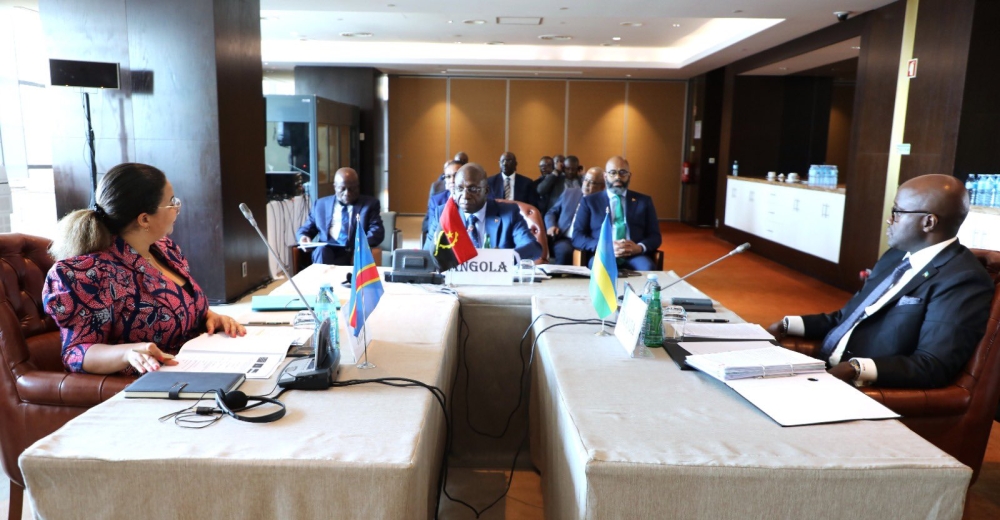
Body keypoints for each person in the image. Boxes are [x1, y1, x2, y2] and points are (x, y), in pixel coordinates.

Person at [767, 174, 993, 389]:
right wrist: (787, 324)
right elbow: (849, 318)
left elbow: (933, 364)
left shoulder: (962, 279)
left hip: (866, 388)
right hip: (823, 370)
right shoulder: (895, 257)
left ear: (928, 222)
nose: (889, 219)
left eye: (897, 212)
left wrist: (856, 368)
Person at [42, 162, 246, 376]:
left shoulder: (163, 249)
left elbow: (179, 305)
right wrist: (127, 353)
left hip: (195, 366)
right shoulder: (87, 274)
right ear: (144, 219)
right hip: (142, 385)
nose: (177, 208)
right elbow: (75, 352)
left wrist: (209, 317)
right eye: (171, 202)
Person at [427, 162, 542, 261]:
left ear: (486, 191)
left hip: (496, 283)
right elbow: (427, 255)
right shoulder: (443, 214)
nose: (465, 196)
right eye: (460, 189)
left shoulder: (509, 213)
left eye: (472, 189)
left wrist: (505, 258)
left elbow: (533, 248)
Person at [572, 156, 662, 270]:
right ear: (605, 176)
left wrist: (639, 247)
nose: (618, 177)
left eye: (623, 172)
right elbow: (577, 237)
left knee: (648, 268)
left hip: (634, 254)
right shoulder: (590, 202)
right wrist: (605, 246)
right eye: (612, 173)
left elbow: (655, 236)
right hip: (602, 254)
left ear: (629, 176)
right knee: (600, 269)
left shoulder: (644, 201)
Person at [298, 167, 384, 265]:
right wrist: (303, 237)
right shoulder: (320, 205)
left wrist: (361, 244)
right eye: (342, 189)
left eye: (352, 189)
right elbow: (307, 228)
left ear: (358, 186)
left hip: (353, 250)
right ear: (335, 187)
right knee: (321, 251)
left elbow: (377, 231)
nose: (347, 193)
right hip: (327, 250)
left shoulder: (369, 204)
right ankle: (323, 280)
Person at [546, 167, 606, 265]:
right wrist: (551, 225)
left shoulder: (603, 202)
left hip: (587, 240)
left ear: (602, 187)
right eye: (585, 180)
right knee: (564, 252)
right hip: (565, 238)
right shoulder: (569, 193)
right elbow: (551, 212)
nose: (586, 184)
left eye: (592, 182)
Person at [421, 160, 462, 247]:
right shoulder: (437, 201)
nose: (452, 180)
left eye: (456, 175)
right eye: (448, 176)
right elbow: (433, 230)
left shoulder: (473, 200)